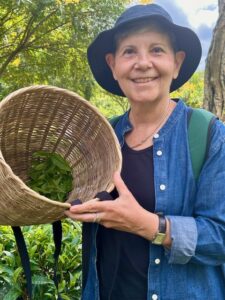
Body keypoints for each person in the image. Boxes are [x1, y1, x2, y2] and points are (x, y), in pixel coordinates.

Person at [65, 3, 225, 299]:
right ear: (113, 65)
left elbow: (220, 237)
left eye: (156, 50)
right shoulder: (101, 137)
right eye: (129, 52)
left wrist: (149, 225)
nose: (142, 63)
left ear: (177, 63)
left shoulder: (209, 135)